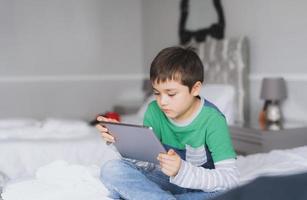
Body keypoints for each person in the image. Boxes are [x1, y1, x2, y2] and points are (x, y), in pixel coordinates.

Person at [96, 46, 239, 200]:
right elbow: (148, 164)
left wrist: (181, 170)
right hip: (166, 181)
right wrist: (122, 140)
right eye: (157, 93)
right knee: (111, 169)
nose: (162, 102)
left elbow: (229, 179)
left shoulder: (213, 120)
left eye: (171, 94)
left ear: (195, 88)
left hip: (202, 188)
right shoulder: (154, 111)